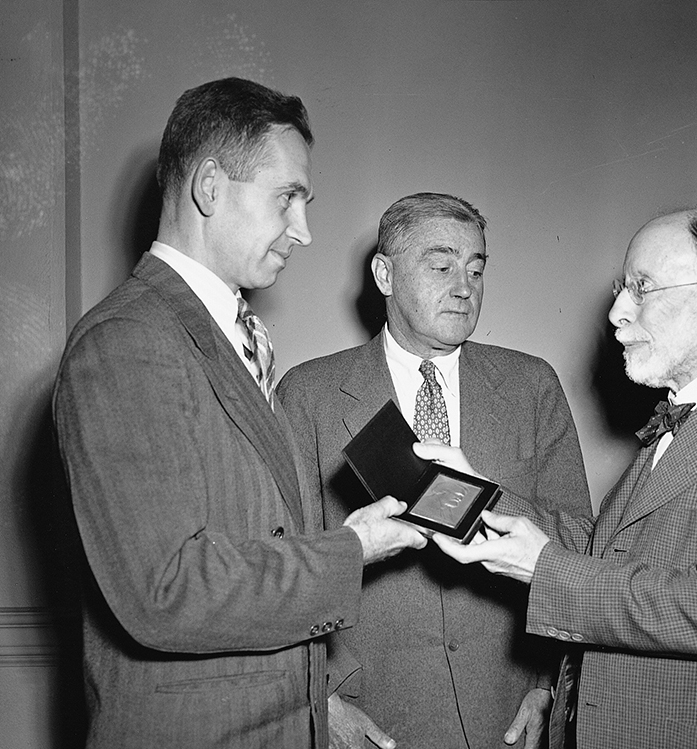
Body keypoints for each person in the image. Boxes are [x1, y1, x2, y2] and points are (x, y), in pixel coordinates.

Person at [52, 77, 426, 749]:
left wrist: (319, 706)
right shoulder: (126, 341)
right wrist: (354, 548)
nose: (305, 231)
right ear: (210, 188)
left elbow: (253, 534)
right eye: (288, 198)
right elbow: (166, 588)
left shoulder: (227, 333)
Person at [425, 207, 697, 749]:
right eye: (623, 289)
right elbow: (607, 553)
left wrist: (545, 570)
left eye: (642, 288)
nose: (618, 312)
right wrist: (478, 494)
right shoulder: (677, 417)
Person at [277, 192, 591, 749]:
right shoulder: (308, 396)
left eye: (476, 268)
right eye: (442, 265)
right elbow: (289, 563)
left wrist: (545, 686)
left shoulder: (532, 386)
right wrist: (322, 700)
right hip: (372, 709)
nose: (465, 285)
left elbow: (577, 544)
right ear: (385, 274)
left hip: (506, 711)